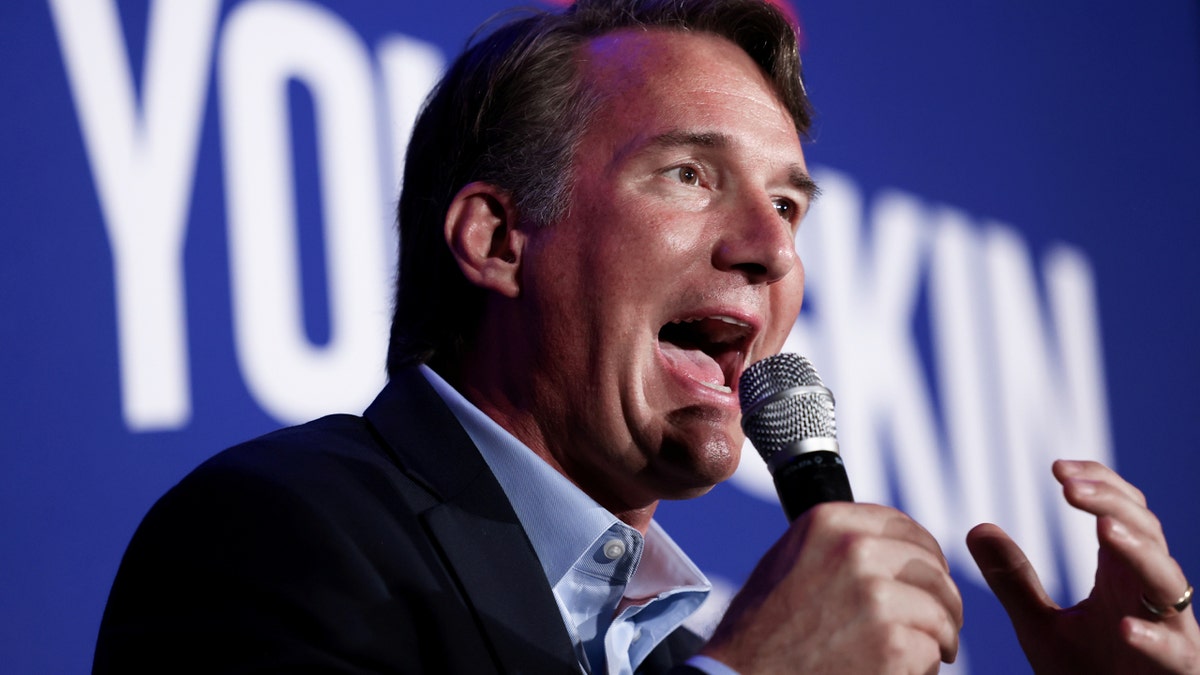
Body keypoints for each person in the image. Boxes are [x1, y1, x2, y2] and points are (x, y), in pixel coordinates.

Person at [93, 0, 1200, 672]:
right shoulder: (277, 537)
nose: (770, 245)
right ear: (497, 238)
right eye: (688, 173)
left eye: (792, 206)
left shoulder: (673, 648)